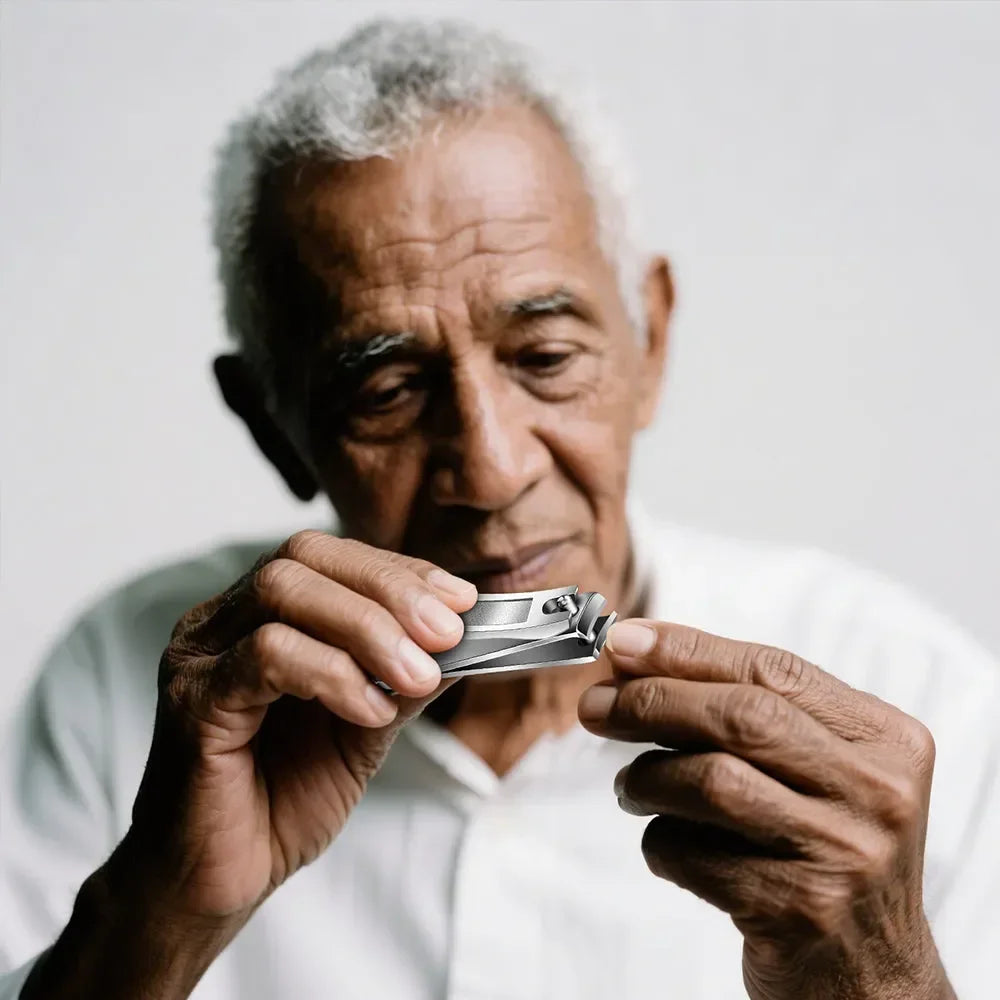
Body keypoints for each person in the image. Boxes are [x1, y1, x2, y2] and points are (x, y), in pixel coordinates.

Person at [2, 17, 998, 1000]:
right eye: (387, 391)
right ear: (273, 425)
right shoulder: (132, 694)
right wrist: (159, 915)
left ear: (650, 341)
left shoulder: (911, 694)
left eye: (546, 357)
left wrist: (877, 976)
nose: (490, 470)